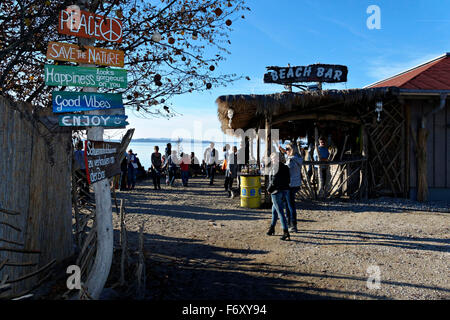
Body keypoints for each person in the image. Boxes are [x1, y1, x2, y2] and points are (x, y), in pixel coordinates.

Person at [266, 152, 291, 241]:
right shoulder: (285, 167)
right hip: (284, 190)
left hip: (276, 191)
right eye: (272, 158)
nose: (273, 160)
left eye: (273, 158)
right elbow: (288, 179)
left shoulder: (274, 167)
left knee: (280, 212)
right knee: (274, 211)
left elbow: (274, 181)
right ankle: (272, 228)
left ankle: (286, 232)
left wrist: (269, 189)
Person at [279, 142, 303, 233]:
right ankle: (290, 224)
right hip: (295, 184)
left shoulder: (292, 160)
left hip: (290, 184)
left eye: (288, 149)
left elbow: (286, 170)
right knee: (289, 205)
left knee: (290, 206)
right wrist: (283, 151)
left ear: (292, 150)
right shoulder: (298, 158)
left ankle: (292, 225)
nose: (286, 151)